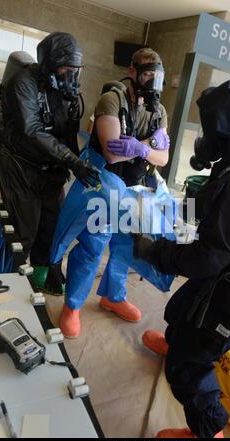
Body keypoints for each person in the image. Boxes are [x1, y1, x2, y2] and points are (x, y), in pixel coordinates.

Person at [133, 80, 230, 438]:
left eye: (208, 128)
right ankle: (177, 341)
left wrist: (156, 252)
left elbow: (208, 258)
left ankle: (209, 430)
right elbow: (213, 203)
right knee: (183, 308)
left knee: (192, 359)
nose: (204, 136)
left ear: (223, 128)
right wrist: (169, 208)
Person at [59, 47, 170, 338]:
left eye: (157, 77)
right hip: (105, 184)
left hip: (136, 187)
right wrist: (148, 147)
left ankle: (113, 296)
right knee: (94, 244)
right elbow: (111, 153)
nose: (152, 82)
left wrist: (140, 147)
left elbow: (164, 158)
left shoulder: (158, 111)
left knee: (128, 246)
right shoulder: (112, 100)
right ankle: (72, 306)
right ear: (132, 72)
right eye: (147, 74)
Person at [0, 32, 97, 294]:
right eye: (66, 68)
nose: (71, 75)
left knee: (52, 226)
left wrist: (79, 161)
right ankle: (7, 283)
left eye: (76, 70)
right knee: (22, 231)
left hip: (51, 165)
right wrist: (72, 161)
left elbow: (67, 134)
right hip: (20, 164)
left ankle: (40, 275)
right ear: (49, 64)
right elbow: (33, 130)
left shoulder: (66, 90)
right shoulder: (23, 83)